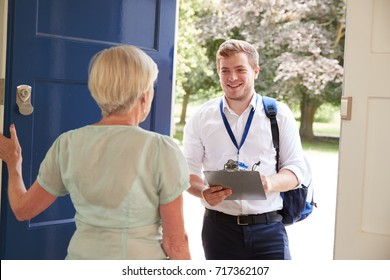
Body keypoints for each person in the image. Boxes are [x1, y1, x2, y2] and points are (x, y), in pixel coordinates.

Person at [0, 45, 191, 260]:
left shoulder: (67, 144)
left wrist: (13, 163)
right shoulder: (162, 149)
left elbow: (22, 210)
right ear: (144, 96)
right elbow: (176, 244)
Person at [183, 39, 305, 260]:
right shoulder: (201, 117)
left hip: (269, 229)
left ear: (255, 71)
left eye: (240, 70)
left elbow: (296, 170)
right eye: (225, 71)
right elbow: (187, 174)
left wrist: (270, 183)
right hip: (218, 230)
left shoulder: (279, 114)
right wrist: (202, 192)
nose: (232, 78)